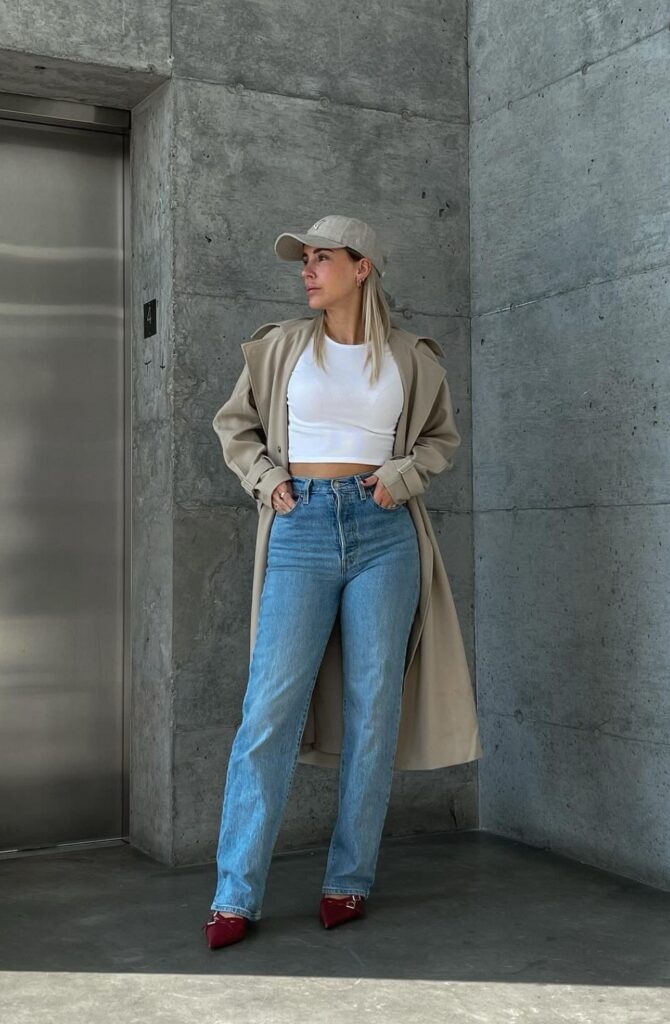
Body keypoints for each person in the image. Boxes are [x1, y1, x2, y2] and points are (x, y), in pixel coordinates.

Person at [203, 214, 480, 950]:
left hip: (384, 533)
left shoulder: (411, 358)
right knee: (268, 710)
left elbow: (439, 439)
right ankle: (234, 895)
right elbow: (235, 426)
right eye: (305, 259)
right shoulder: (281, 348)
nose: (307, 269)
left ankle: (348, 880)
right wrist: (268, 481)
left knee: (373, 710)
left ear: (362, 268)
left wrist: (398, 479)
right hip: (299, 528)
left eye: (321, 258)